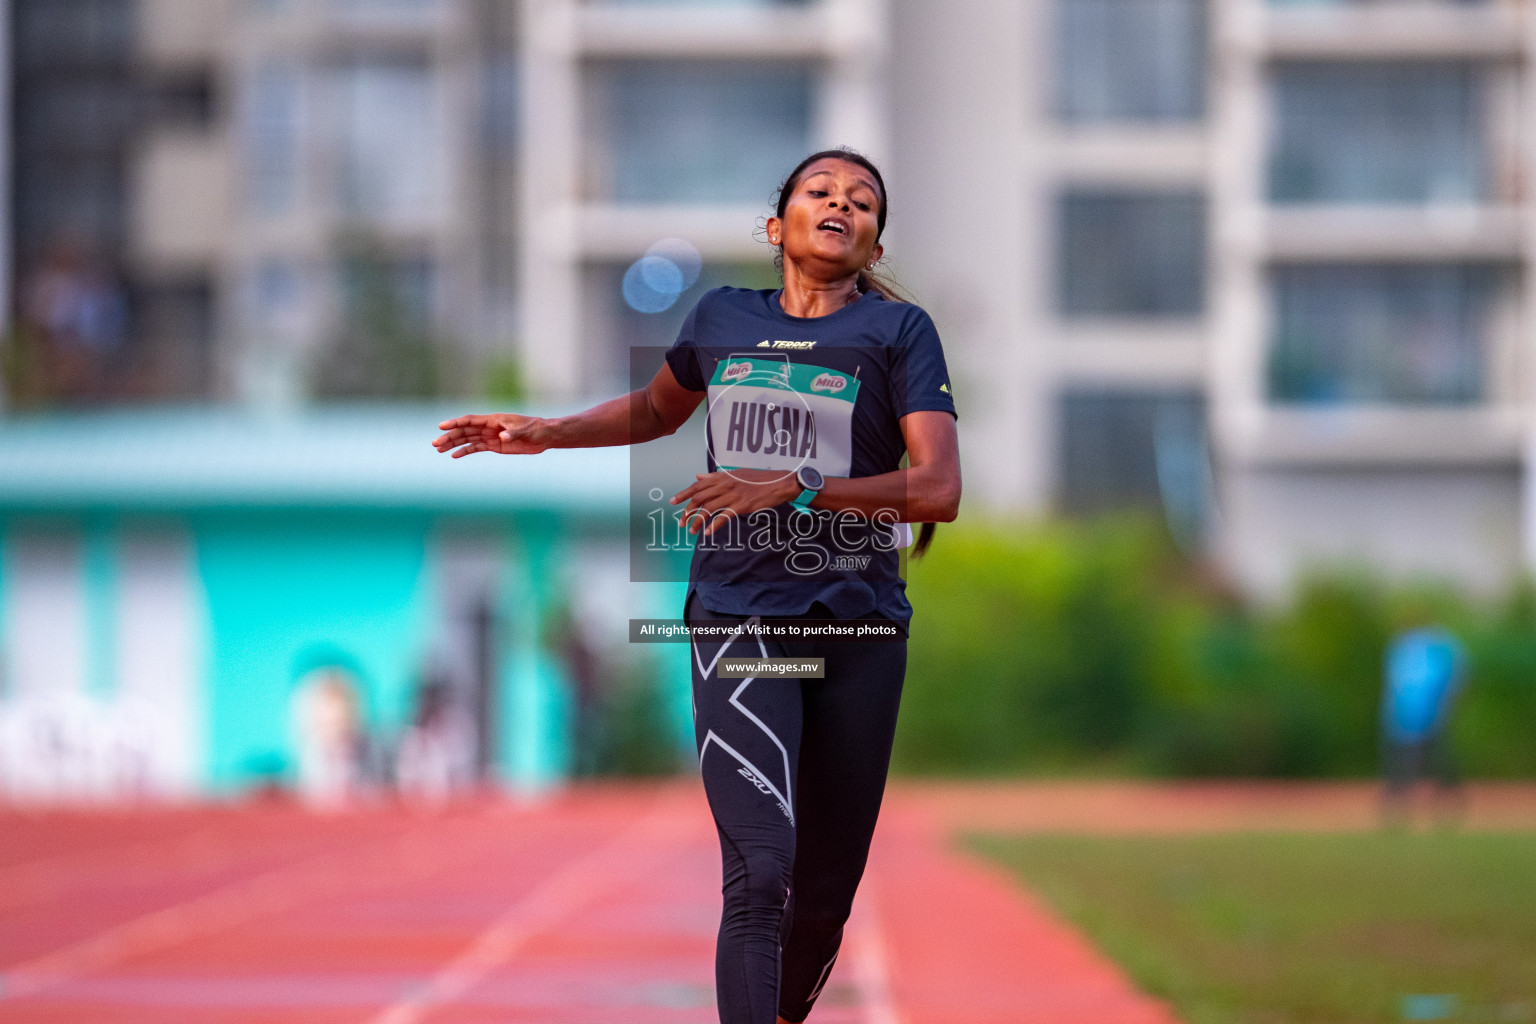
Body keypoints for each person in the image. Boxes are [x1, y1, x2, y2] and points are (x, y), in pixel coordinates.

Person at [432, 148, 961, 1024]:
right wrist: (546, 432)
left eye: (862, 202)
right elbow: (655, 409)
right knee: (760, 869)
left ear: (872, 243)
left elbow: (937, 488)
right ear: (776, 226)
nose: (841, 205)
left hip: (857, 630)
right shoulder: (721, 317)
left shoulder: (899, 335)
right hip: (740, 620)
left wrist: (794, 483)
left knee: (825, 891)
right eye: (820, 193)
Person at [1380, 620, 1466, 826]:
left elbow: (1454, 680)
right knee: (1413, 759)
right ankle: (1403, 799)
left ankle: (1441, 798)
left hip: (1422, 716)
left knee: (1427, 759)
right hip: (1409, 717)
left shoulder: (1430, 651)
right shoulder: (1419, 651)